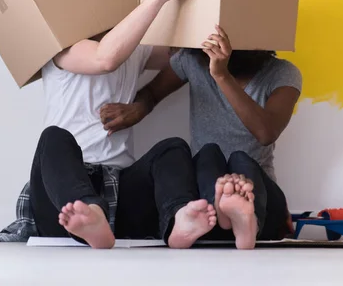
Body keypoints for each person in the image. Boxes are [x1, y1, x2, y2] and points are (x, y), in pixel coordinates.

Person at [0, 0, 218, 249]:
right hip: (64, 200)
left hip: (121, 191)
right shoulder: (62, 49)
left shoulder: (136, 48)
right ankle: (89, 215)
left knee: (173, 148)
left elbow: (185, 54)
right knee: (53, 139)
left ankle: (179, 220)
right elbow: (105, 58)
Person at [99, 24, 302, 249]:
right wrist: (138, 108)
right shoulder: (193, 60)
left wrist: (222, 75)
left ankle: (247, 219)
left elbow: (266, 132)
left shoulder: (282, 73)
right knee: (208, 152)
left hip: (259, 194)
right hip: (207, 204)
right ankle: (221, 209)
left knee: (241, 159)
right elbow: (152, 93)